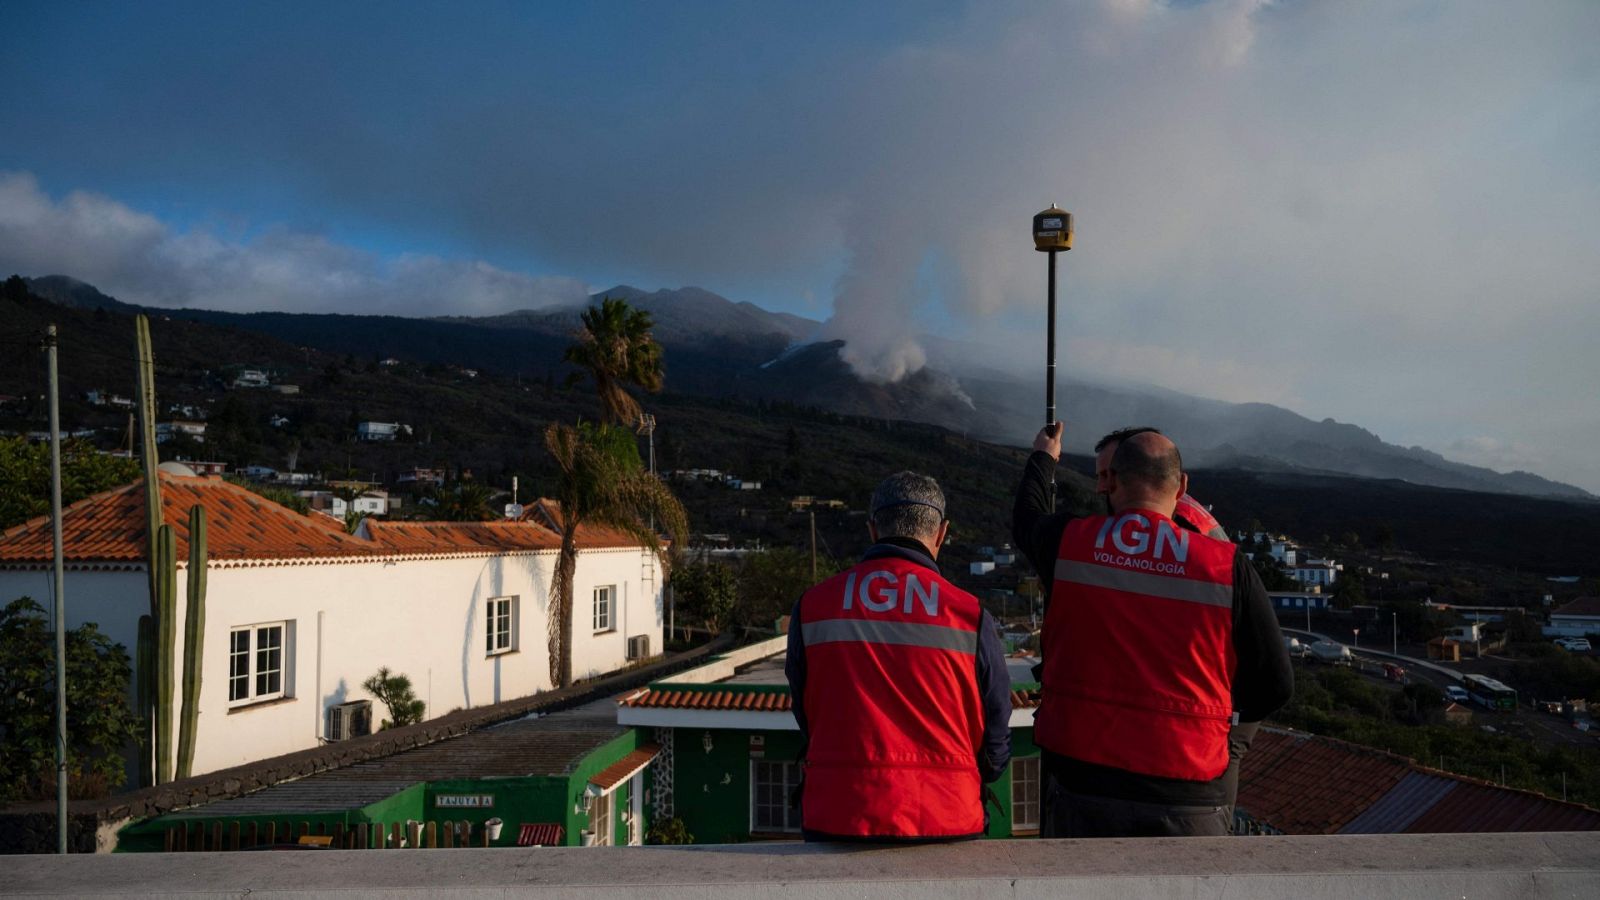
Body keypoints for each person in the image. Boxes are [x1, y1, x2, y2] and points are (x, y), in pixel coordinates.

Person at [1014, 422, 1291, 837]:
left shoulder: (1069, 542)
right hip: (1190, 793)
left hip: (1082, 786)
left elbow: (1027, 518)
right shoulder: (1225, 565)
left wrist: (1043, 458)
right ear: (1181, 487)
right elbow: (1275, 684)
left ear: (1113, 483)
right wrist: (1214, 723)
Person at [786, 471, 1012, 841]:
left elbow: (805, 707)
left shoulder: (813, 606)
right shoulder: (969, 613)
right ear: (941, 533)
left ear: (872, 529)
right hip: (947, 816)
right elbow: (997, 722)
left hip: (838, 815)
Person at [1091, 426, 1252, 827]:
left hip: (1222, 714)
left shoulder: (1180, 529)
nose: (1103, 487)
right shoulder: (1161, 519)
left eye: (1109, 474)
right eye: (1101, 477)